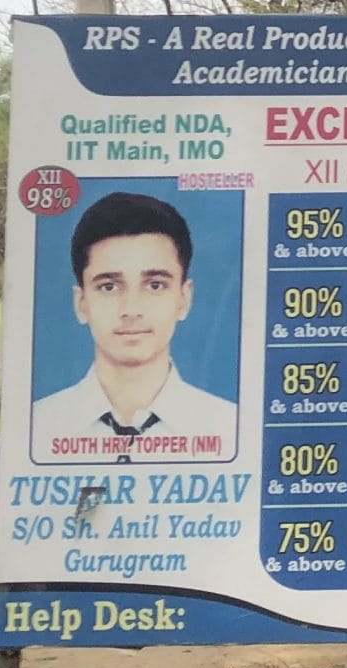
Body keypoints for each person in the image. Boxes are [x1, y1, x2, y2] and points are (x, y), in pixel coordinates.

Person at [32, 190, 236, 463]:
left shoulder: (229, 429)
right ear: (81, 303)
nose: (131, 310)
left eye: (155, 285)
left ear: (184, 299)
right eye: (109, 286)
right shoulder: (37, 429)